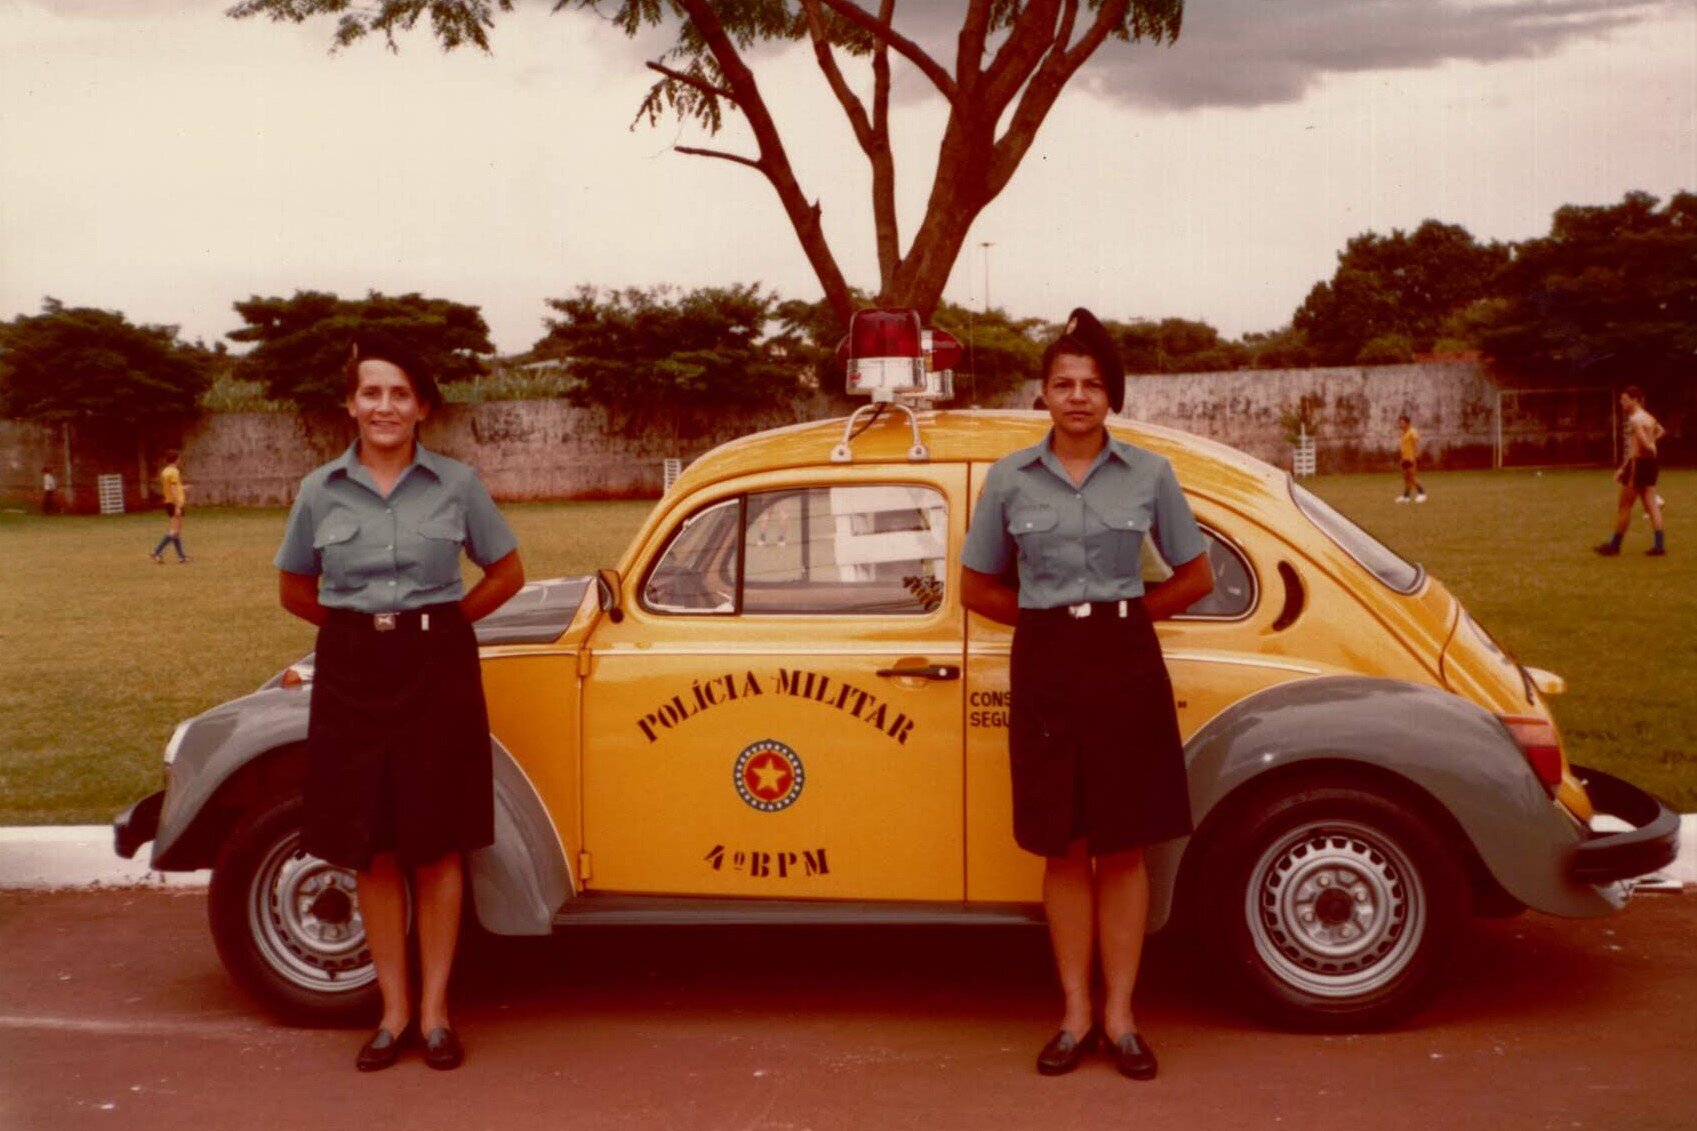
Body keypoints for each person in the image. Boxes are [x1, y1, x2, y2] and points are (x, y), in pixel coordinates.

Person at [960, 309, 1214, 1081]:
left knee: (1123, 846)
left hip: (1125, 661)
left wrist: (1123, 616)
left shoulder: (1149, 473)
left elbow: (1195, 575)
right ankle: (1074, 1014)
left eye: (1092, 384)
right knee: (1064, 845)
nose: (1077, 396)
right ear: (1042, 393)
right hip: (1046, 663)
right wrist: (1047, 620)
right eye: (1063, 383)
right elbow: (975, 585)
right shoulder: (1009, 478)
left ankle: (1121, 1017)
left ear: (1111, 396)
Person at [274, 337, 525, 1072]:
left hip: (436, 668)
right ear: (350, 405)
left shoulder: (457, 484)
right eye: (372, 393)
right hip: (352, 673)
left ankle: (437, 1013)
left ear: (422, 407)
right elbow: (294, 589)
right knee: (372, 842)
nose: (385, 406)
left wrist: (441, 626)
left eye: (400, 394)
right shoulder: (319, 490)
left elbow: (506, 571)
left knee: (436, 841)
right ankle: (393, 1013)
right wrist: (361, 633)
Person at [1595, 385, 1666, 556]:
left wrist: (1624, 467)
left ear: (1635, 400)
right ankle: (1659, 546)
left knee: (1625, 505)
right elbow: (1661, 431)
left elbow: (1642, 445)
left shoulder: (1635, 420)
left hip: (1638, 464)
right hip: (1651, 464)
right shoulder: (1648, 417)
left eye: (1625, 399)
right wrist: (1652, 443)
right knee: (1652, 505)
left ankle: (1614, 546)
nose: (1622, 402)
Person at [150, 450, 190, 562]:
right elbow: (173, 489)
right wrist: (177, 506)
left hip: (169, 502)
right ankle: (157, 551)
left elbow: (172, 487)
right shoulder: (174, 472)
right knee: (175, 531)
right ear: (176, 459)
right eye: (179, 458)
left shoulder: (165, 471)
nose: (180, 460)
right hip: (175, 503)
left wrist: (183, 488)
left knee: (176, 531)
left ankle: (181, 557)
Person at [1395, 415, 1427, 503]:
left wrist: (1417, 455)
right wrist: (1401, 458)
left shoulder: (1412, 432)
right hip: (1404, 458)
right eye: (1399, 423)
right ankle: (1406, 496)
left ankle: (1422, 494)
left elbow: (1416, 444)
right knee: (1406, 478)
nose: (1400, 425)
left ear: (1408, 423)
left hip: (1411, 458)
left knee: (1412, 478)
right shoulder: (1403, 433)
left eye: (1402, 423)